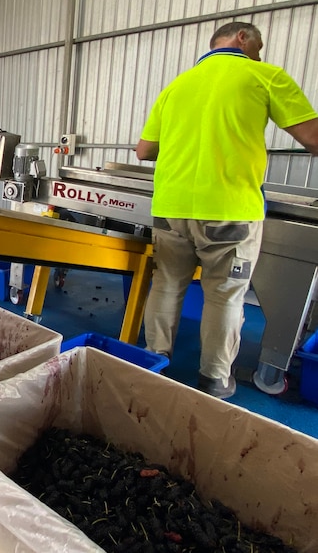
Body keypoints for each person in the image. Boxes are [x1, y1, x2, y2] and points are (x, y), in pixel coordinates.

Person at [136, 21, 318, 399]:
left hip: (171, 208)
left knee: (167, 284)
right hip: (229, 211)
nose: (260, 53)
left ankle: (154, 363)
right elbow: (313, 138)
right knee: (225, 294)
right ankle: (214, 379)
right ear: (242, 38)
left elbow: (144, 151)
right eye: (259, 46)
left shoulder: (176, 86)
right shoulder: (264, 76)